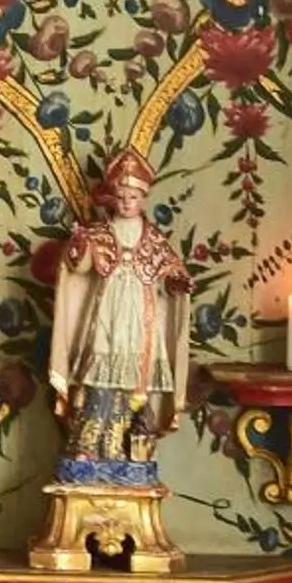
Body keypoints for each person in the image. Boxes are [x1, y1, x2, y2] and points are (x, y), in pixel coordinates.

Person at [47, 147, 190, 474]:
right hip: (106, 318)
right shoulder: (100, 233)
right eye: (121, 196)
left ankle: (119, 445)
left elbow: (170, 275)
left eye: (133, 197)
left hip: (139, 322)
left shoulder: (154, 240)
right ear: (112, 197)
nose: (127, 202)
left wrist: (176, 284)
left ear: (143, 198)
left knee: (129, 386)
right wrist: (79, 247)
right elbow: (78, 267)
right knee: (98, 381)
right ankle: (86, 444)